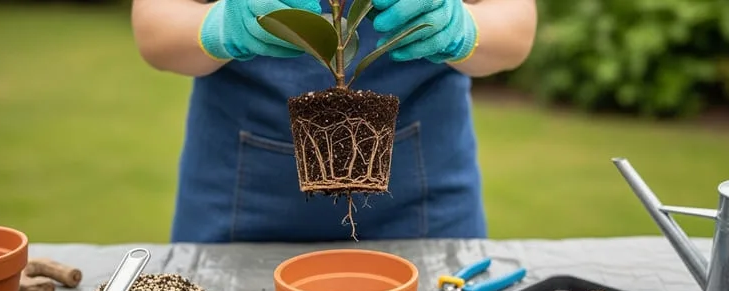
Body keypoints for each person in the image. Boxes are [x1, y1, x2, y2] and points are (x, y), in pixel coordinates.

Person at [130, 0, 537, 243]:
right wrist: (222, 26)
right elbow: (156, 29)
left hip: (424, 194)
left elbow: (514, 31)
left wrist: (460, 27)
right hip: (239, 189)